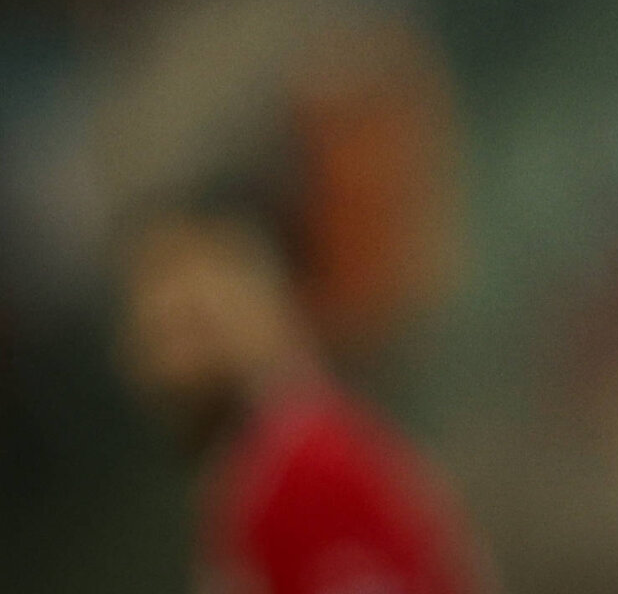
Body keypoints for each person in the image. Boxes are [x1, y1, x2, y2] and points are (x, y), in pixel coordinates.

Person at [119, 181, 494, 594]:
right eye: (159, 333)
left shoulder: (303, 467)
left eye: (191, 324)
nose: (171, 359)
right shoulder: (263, 472)